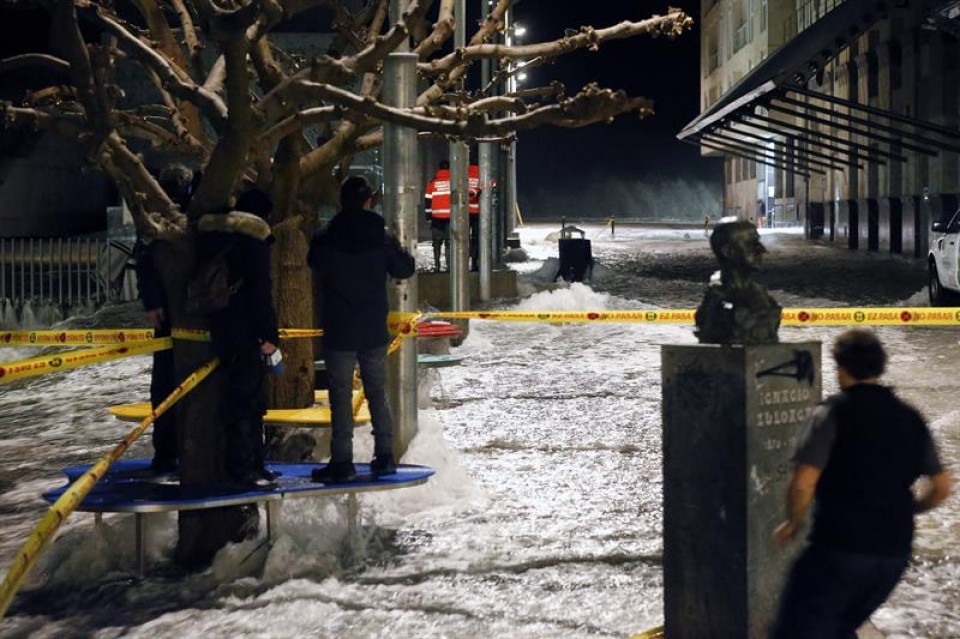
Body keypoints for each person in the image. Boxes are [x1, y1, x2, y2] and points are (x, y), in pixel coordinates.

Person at [769, 329, 953, 639]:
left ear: (840, 368)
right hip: (893, 555)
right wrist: (910, 507)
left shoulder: (832, 413)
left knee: (796, 630)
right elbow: (942, 487)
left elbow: (804, 482)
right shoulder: (909, 417)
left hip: (840, 549)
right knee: (841, 628)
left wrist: (793, 521)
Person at [308, 176, 416, 483]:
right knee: (376, 393)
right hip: (372, 328)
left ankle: (342, 461)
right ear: (368, 201)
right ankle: (384, 457)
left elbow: (314, 263)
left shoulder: (327, 236)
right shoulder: (380, 236)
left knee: (340, 396)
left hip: (339, 327)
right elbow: (404, 268)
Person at [197, 186, 281, 490]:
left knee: (236, 399)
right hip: (247, 331)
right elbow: (261, 293)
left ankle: (247, 465)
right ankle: (248, 468)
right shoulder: (252, 242)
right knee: (248, 402)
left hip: (219, 326)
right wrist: (270, 335)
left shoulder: (213, 239)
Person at [135, 163, 193, 472]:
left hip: (171, 315)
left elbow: (143, 264)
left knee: (165, 384)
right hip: (188, 315)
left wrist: (152, 303)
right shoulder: (187, 220)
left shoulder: (154, 224)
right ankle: (174, 451)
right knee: (179, 384)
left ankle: (168, 452)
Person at [694, 217, 781, 344]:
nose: (761, 249)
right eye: (750, 244)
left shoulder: (761, 295)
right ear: (729, 251)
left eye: (758, 242)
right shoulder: (718, 302)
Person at [424, 160, 451, 272]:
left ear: (439, 169)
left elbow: (427, 201)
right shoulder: (452, 182)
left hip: (436, 218)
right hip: (450, 218)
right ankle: (450, 266)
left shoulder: (432, 183)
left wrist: (428, 216)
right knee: (449, 243)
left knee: (437, 244)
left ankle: (437, 265)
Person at [468, 162, 481, 271]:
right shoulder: (483, 174)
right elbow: (493, 186)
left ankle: (463, 260)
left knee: (464, 238)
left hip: (464, 212)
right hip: (477, 212)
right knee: (476, 239)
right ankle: (475, 263)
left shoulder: (463, 173)